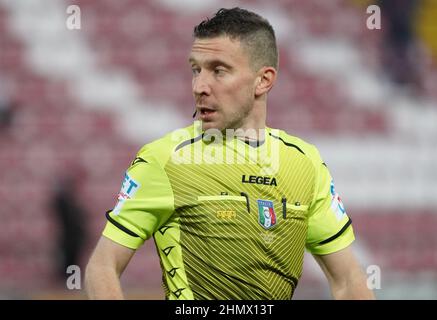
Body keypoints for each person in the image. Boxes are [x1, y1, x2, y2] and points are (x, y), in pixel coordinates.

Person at [85, 7, 375, 300]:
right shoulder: (165, 159)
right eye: (196, 70)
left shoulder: (304, 162)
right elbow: (102, 266)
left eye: (218, 71)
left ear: (263, 80)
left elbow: (349, 280)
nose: (199, 87)